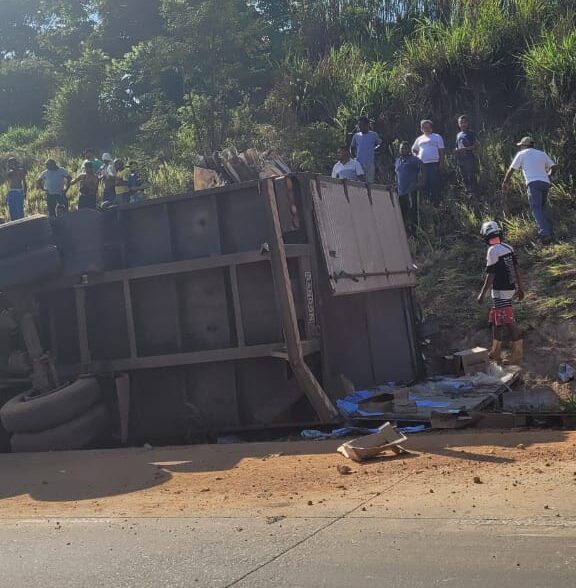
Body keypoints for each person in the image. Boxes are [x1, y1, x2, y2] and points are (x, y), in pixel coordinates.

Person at [477, 221, 524, 365]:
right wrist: (520, 288)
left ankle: (517, 353)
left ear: (486, 238)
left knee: (508, 320)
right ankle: (495, 351)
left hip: (499, 291)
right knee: (497, 320)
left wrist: (482, 293)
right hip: (509, 288)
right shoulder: (508, 247)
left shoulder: (492, 251)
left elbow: (490, 275)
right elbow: (516, 269)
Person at [502, 136, 556, 243]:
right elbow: (554, 167)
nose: (520, 147)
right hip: (545, 183)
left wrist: (505, 182)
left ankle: (545, 234)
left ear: (524, 145)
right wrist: (548, 176)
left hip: (533, 184)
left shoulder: (522, 154)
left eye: (521, 145)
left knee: (536, 208)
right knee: (542, 207)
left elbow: (511, 170)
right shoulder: (541, 153)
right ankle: (550, 229)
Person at [412, 120, 445, 206]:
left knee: (434, 184)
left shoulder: (437, 137)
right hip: (422, 165)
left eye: (427, 127)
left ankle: (436, 204)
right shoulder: (419, 139)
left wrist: (441, 163)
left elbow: (441, 151)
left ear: (431, 128)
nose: (426, 129)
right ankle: (427, 204)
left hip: (433, 163)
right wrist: (416, 155)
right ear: (421, 129)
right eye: (424, 127)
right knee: (424, 184)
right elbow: (414, 149)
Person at [395, 141, 422, 235]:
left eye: (405, 148)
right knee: (402, 213)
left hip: (411, 191)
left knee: (412, 212)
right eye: (402, 148)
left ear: (409, 150)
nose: (403, 150)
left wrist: (420, 183)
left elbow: (423, 168)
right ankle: (406, 233)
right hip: (400, 191)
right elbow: (397, 175)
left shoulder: (414, 160)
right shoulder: (398, 161)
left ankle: (415, 233)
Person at [350, 116, 382, 183]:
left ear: (367, 125)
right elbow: (352, 147)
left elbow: (380, 144)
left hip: (369, 163)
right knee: (359, 182)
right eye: (359, 125)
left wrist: (375, 149)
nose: (360, 127)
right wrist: (354, 158)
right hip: (359, 163)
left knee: (369, 183)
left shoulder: (373, 135)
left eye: (361, 125)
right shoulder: (356, 136)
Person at [454, 115, 479, 196]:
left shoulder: (471, 133)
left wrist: (466, 149)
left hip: (469, 158)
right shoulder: (458, 134)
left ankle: (475, 194)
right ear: (459, 124)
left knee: (471, 176)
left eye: (465, 122)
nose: (463, 124)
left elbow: (476, 145)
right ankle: (468, 194)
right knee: (463, 176)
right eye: (461, 123)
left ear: (468, 123)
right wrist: (456, 150)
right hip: (461, 159)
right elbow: (457, 146)